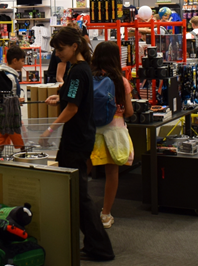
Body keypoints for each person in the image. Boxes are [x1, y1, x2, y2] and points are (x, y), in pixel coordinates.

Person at [41, 27, 114, 261]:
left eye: (60, 49)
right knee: (77, 194)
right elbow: (73, 99)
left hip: (77, 140)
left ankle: (100, 247)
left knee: (80, 196)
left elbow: (73, 108)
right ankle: (94, 245)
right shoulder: (80, 70)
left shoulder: (79, 71)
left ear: (74, 47)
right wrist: (59, 99)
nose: (57, 54)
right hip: (79, 138)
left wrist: (50, 129)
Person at [88, 41, 134, 230]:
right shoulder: (121, 81)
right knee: (112, 172)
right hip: (114, 131)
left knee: (84, 170)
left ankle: (78, 208)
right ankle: (106, 213)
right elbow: (129, 111)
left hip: (91, 131)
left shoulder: (88, 77)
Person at [0, 46, 26, 149]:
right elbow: (5, 97)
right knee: (23, 143)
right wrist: (16, 100)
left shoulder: (1, 74)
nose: (23, 64)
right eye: (22, 61)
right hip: (12, 117)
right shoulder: (10, 77)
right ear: (14, 60)